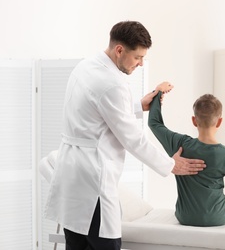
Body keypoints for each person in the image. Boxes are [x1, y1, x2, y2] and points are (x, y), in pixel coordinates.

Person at [43, 21, 206, 250]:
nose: (140, 64)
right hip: (93, 181)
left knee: (76, 245)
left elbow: (96, 112)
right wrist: (171, 165)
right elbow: (133, 139)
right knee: (107, 244)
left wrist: (138, 106)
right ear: (119, 50)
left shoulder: (86, 66)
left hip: (72, 175)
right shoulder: (112, 84)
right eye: (137, 57)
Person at [148, 89, 225, 227]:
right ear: (219, 122)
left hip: (185, 216)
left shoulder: (179, 145)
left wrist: (157, 95)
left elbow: (154, 124)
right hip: (217, 217)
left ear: (194, 120)